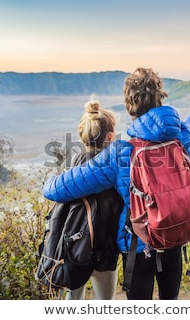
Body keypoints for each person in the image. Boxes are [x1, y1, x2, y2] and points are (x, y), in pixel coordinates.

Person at [43, 67, 190, 299]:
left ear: (129, 105)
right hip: (175, 237)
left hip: (139, 246)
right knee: (170, 299)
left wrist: (48, 184)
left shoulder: (122, 152)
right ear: (159, 98)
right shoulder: (181, 138)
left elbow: (67, 185)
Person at [63, 97, 123, 300]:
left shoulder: (72, 166)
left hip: (73, 248)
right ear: (110, 137)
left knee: (72, 300)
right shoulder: (113, 170)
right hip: (104, 252)